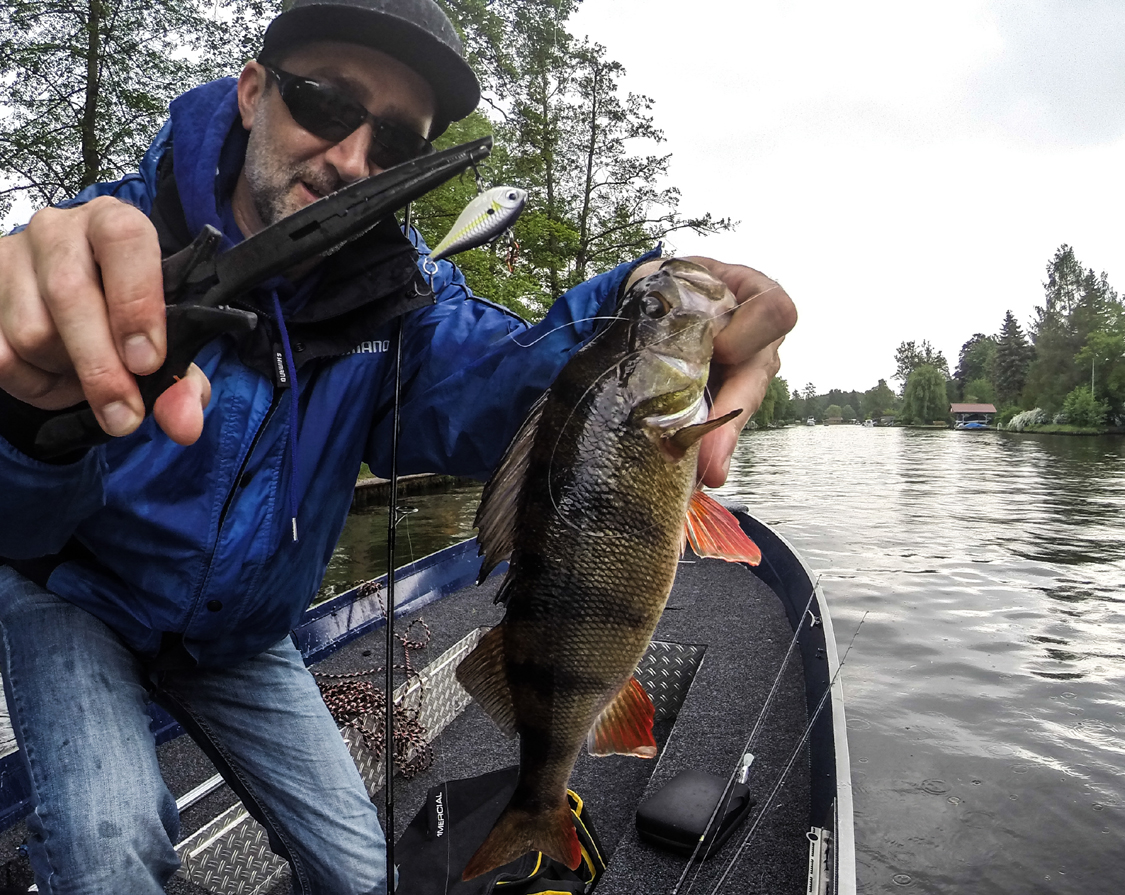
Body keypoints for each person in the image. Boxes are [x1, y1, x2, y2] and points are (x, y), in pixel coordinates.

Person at [0, 0, 795, 892]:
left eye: (394, 146)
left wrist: (644, 293)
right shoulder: (79, 258)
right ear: (253, 92)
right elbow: (15, 524)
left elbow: (504, 386)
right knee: (111, 855)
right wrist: (21, 418)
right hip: (77, 599)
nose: (348, 159)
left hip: (241, 632)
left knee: (359, 875)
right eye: (324, 103)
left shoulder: (401, 299)